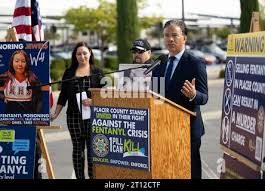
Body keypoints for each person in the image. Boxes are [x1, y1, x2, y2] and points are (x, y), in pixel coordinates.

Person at [152, 20, 208, 179]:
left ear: (184, 38)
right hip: (164, 127)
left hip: (188, 128)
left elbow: (204, 97)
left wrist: (194, 95)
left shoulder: (195, 63)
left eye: (174, 35)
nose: (170, 39)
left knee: (191, 170)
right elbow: (156, 95)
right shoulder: (159, 63)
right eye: (166, 35)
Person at [51, 42, 104, 179]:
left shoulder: (97, 72)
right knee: (78, 149)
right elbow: (63, 95)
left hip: (93, 116)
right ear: (75, 56)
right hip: (74, 116)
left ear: (90, 53)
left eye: (84, 53)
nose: (82, 56)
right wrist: (56, 113)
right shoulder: (69, 72)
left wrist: (94, 101)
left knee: (93, 151)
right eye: (79, 54)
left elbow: (105, 95)